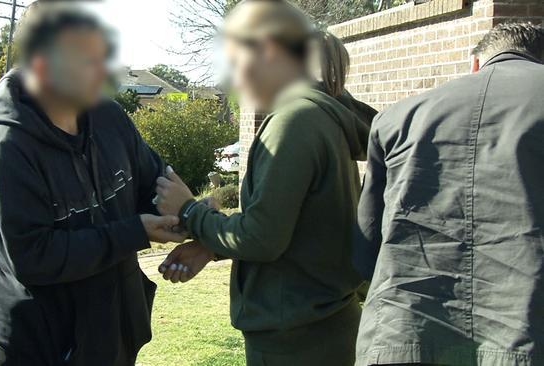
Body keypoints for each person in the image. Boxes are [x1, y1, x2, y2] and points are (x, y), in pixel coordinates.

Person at [154, 0, 376, 364]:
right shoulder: (318, 114)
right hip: (321, 327)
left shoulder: (295, 121)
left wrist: (190, 210)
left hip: (295, 340)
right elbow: (294, 227)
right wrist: (211, 246)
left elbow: (261, 238)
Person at [0, 4, 185, 365]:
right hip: (46, 347)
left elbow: (154, 184)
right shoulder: (4, 150)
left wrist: (191, 215)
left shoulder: (108, 118)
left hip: (113, 334)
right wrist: (134, 232)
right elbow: (33, 257)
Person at [353, 22, 544, 366]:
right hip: (525, 339)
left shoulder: (398, 116)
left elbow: (367, 250)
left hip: (402, 336)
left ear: (474, 64)